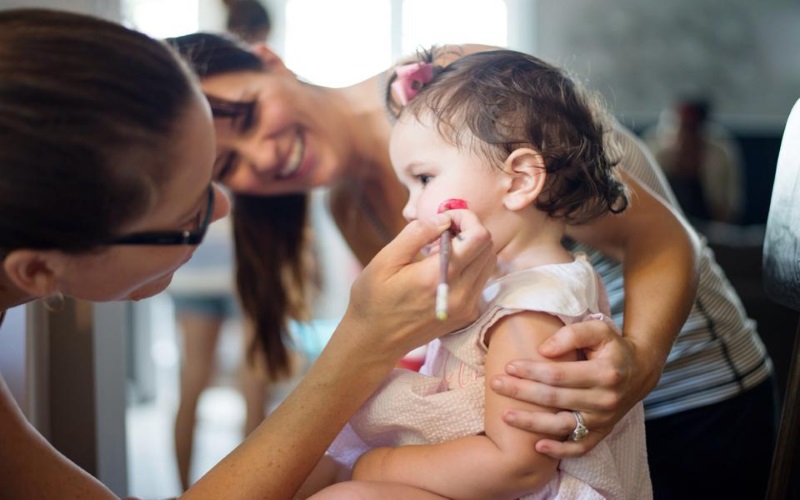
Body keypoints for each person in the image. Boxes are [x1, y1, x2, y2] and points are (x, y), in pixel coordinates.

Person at [171, 33, 776, 500]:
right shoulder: (349, 211)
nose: (265, 156)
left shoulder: (460, 91)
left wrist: (637, 365)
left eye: (247, 117)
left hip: (689, 392)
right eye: (229, 165)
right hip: (533, 430)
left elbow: (665, 237)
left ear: (269, 60)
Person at [0, 9, 495, 499]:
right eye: (191, 208)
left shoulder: (453, 89)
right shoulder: (352, 210)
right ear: (39, 269)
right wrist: (362, 346)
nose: (220, 209)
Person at [306, 48, 651, 499]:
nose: (410, 208)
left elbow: (518, 467)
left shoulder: (531, 309)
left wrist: (371, 466)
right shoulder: (502, 285)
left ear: (521, 180)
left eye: (424, 178)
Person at [170, 1, 275, 489]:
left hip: (194, 259)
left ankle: (183, 491)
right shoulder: (259, 100)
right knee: (254, 386)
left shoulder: (191, 85)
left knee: (192, 382)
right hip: (250, 263)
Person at [642, 98, 745, 225]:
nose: (687, 136)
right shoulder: (657, 153)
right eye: (683, 127)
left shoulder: (719, 156)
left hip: (711, 230)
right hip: (666, 226)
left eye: (692, 129)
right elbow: (646, 204)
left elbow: (729, 210)